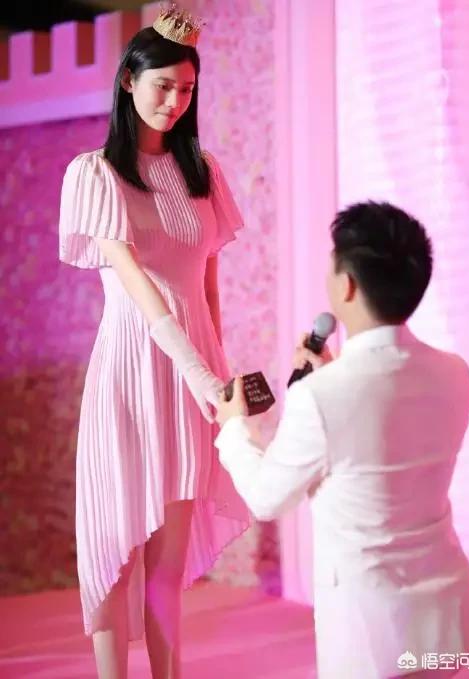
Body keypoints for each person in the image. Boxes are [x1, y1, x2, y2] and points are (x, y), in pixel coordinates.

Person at [215, 201, 469, 678]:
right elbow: (386, 423)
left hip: (374, 637)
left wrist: (234, 427)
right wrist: (333, 375)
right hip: (450, 625)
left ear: (346, 285)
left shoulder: (319, 397)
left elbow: (266, 498)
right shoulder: (456, 373)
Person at [58, 6, 250, 679]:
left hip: (193, 377)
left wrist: (219, 380)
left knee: (167, 567)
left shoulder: (204, 174)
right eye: (162, 85)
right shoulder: (95, 173)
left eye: (186, 89)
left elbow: (208, 292)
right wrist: (201, 373)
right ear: (128, 82)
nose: (174, 101)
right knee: (116, 550)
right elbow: (140, 288)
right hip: (130, 372)